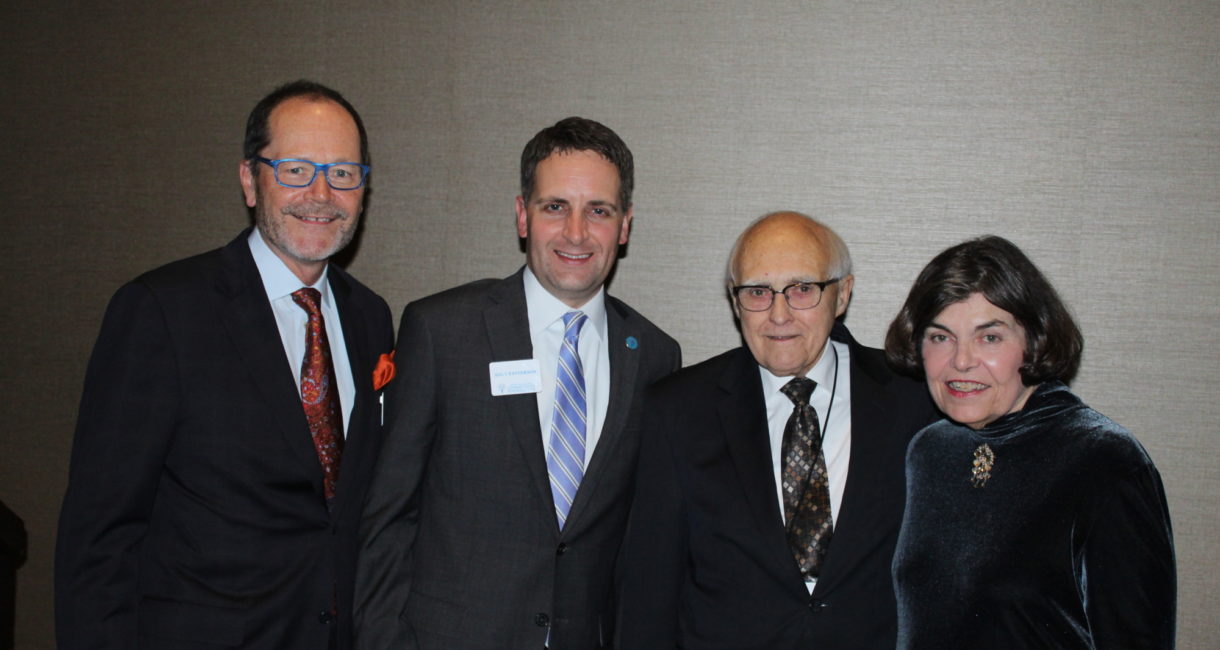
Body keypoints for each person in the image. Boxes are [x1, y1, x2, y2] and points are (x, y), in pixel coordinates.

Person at [55, 80, 395, 650]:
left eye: (342, 173)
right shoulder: (163, 311)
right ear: (249, 180)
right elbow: (100, 536)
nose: (321, 193)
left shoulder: (372, 319)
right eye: (294, 169)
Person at [355, 117, 681, 649]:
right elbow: (388, 516)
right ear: (521, 216)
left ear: (624, 226)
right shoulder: (443, 331)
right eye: (555, 206)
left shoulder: (654, 357)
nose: (576, 232)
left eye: (598, 210)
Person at [616, 212, 937, 649]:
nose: (778, 314)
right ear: (735, 302)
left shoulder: (914, 399)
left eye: (803, 289)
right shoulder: (678, 410)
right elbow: (647, 593)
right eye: (758, 292)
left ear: (841, 294)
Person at [884, 235, 1176, 649]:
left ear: (1033, 339)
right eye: (940, 337)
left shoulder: (1102, 459)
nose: (961, 360)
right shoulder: (930, 451)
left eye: (989, 337)